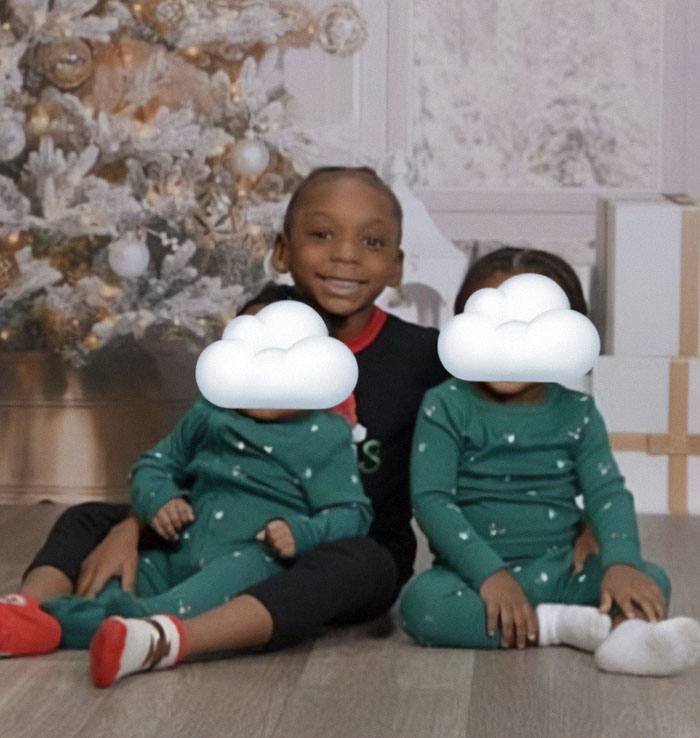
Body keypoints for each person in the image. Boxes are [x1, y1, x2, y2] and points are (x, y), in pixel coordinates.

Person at [1, 167, 448, 684]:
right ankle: (26, 612)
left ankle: (172, 638)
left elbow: (479, 441)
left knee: (364, 562)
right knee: (88, 519)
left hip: (333, 549)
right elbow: (198, 456)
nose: (345, 254)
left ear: (395, 266)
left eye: (370, 241)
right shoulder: (256, 333)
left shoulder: (422, 357)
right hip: (222, 520)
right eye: (321, 234)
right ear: (282, 250)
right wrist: (132, 526)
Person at [0, 294, 373, 676]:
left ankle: (124, 630)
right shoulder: (210, 413)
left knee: (206, 587)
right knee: (109, 579)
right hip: (181, 540)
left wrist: (303, 532)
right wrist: (159, 499)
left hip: (251, 553)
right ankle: (35, 616)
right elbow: (154, 464)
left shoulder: (324, 435)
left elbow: (352, 513)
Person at [400, 246, 700, 677]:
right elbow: (432, 501)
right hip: (475, 576)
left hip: (563, 568)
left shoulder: (578, 412)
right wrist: (489, 575)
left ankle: (618, 635)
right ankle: (565, 627)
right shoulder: (445, 405)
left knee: (653, 581)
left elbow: (607, 493)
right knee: (422, 607)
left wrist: (620, 564)